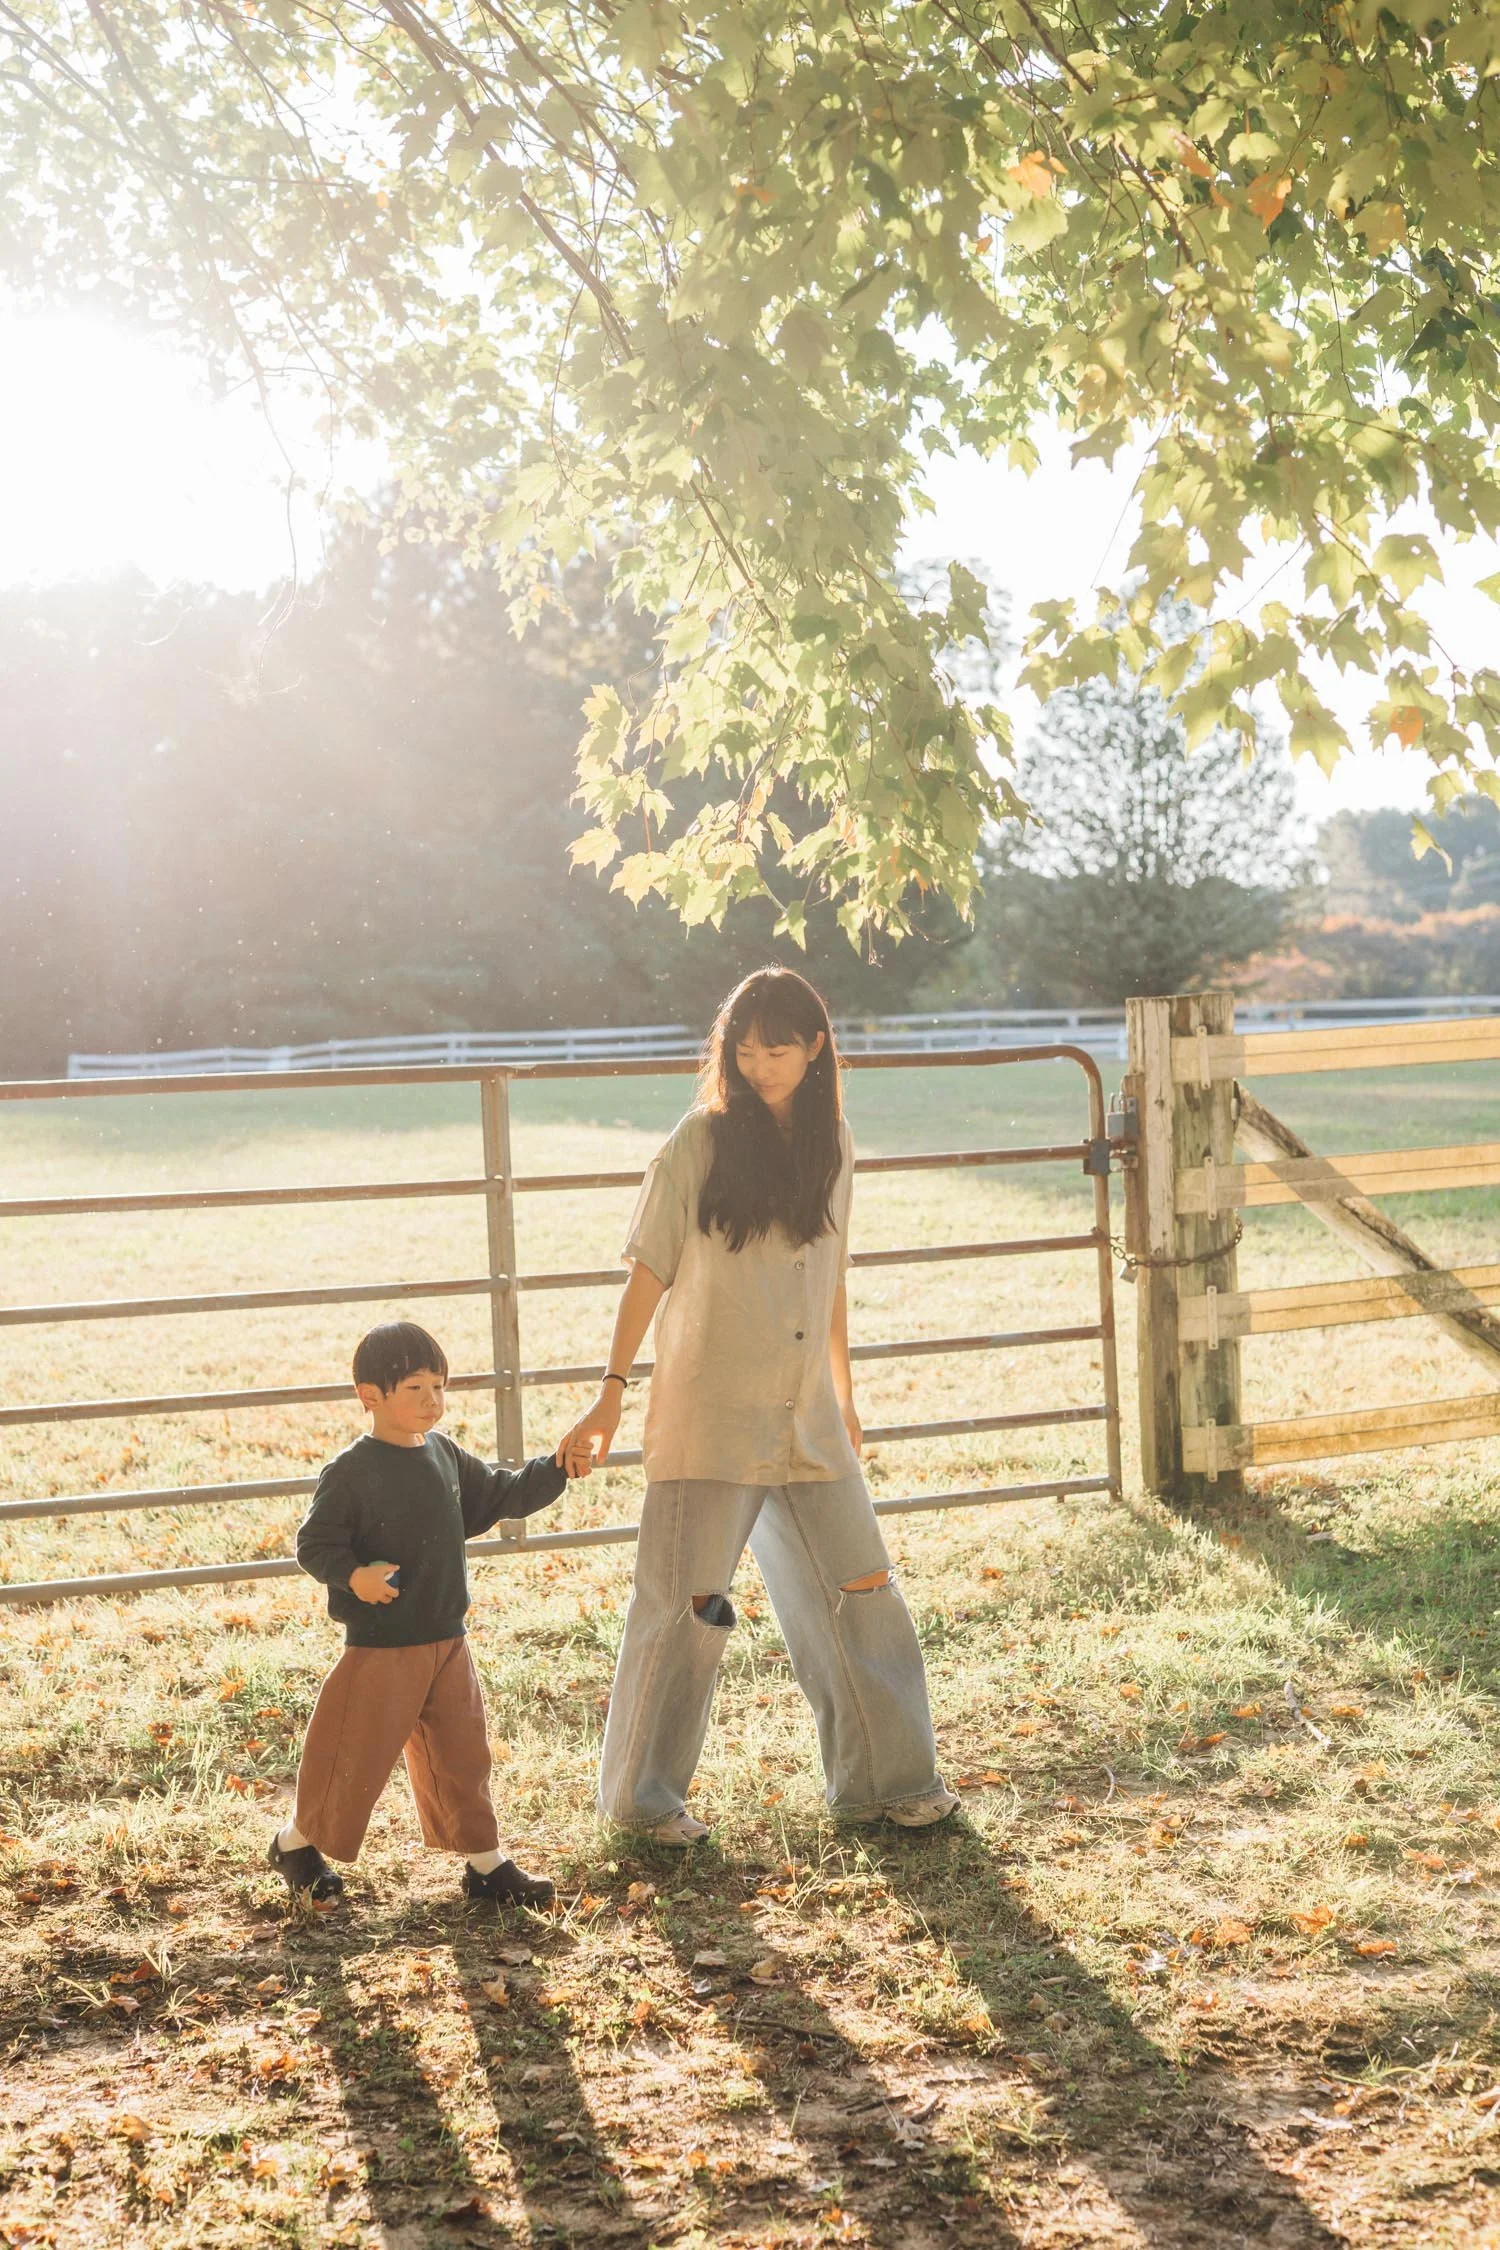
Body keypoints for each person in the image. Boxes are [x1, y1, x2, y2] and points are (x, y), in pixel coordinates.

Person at [557, 967, 958, 1846]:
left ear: (816, 1048)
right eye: (744, 1046)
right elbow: (648, 1270)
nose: (759, 1061)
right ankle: (641, 1802)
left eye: (778, 1046)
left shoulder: (835, 1143)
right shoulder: (698, 1142)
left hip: (807, 1414)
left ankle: (888, 1782)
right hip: (710, 1412)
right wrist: (610, 1393)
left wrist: (847, 1397)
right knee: (684, 1607)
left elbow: (831, 1278)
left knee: (862, 1588)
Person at [270, 1319, 590, 1906]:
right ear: (371, 1396)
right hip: (382, 1645)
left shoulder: (443, 1455)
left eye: (440, 1388)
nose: (433, 1402)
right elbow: (314, 1545)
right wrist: (355, 1577)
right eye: (416, 1388)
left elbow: (503, 1493)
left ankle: (486, 1867)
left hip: (447, 1637)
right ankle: (295, 1843)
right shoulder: (352, 1472)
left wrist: (556, 1467)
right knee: (354, 1755)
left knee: (462, 1754)